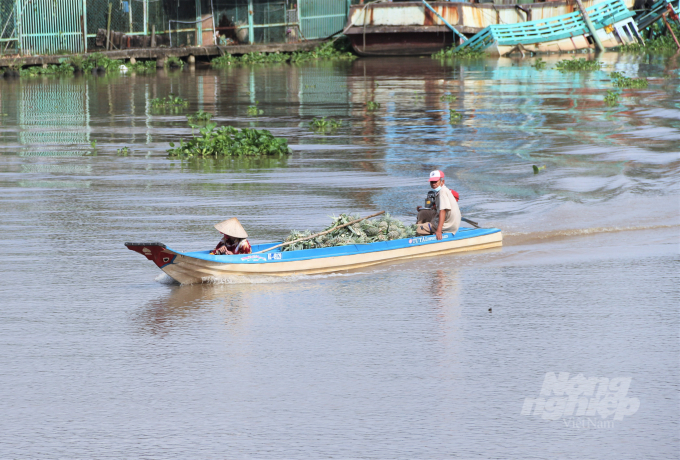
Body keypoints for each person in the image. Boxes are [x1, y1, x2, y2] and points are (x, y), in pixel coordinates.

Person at [415, 170, 461, 240]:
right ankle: (423, 228)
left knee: (415, 229)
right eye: (432, 182)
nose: (433, 184)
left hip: (447, 225)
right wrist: (423, 209)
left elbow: (443, 211)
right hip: (444, 218)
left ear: (442, 182)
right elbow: (437, 208)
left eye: (435, 181)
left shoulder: (442, 192)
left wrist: (439, 231)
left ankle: (421, 232)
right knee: (422, 213)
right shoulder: (441, 191)